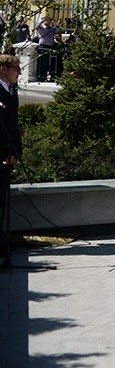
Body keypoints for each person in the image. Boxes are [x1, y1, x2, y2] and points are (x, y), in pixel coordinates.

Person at [0, 53, 23, 268]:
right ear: (3, 69)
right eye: (16, 68)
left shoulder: (10, 91)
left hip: (10, 155)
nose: (20, 72)